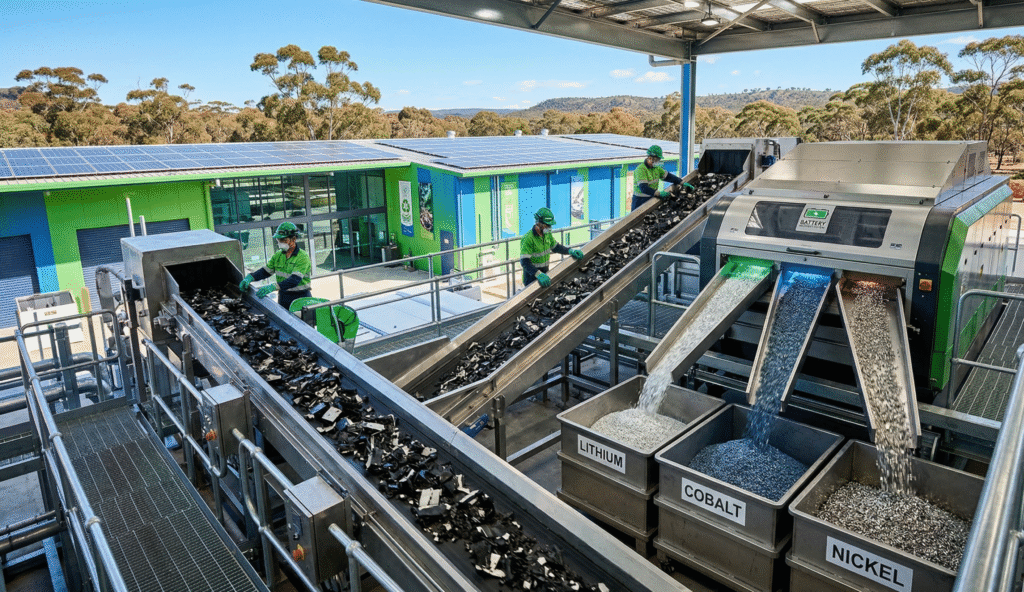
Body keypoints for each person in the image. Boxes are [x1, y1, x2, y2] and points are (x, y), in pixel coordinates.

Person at [238, 221, 313, 309]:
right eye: (278, 240)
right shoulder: (278, 255)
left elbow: (294, 280)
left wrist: (273, 286)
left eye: (283, 240)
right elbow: (265, 271)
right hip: (283, 296)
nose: (280, 242)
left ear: (293, 239)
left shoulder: (302, 257)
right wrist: (250, 277)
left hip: (300, 298)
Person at [520, 207, 584, 288]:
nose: (549, 227)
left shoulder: (547, 235)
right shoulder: (528, 239)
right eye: (547, 225)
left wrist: (570, 251)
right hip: (532, 277)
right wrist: (538, 274)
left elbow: (556, 247)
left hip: (545, 274)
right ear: (539, 224)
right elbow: (524, 262)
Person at [631, 145, 684, 211]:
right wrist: (658, 193)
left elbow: (668, 176)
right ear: (650, 158)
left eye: (659, 159)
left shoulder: (656, 169)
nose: (658, 161)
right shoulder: (641, 169)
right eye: (657, 159)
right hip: (639, 201)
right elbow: (643, 188)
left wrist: (681, 182)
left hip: (651, 199)